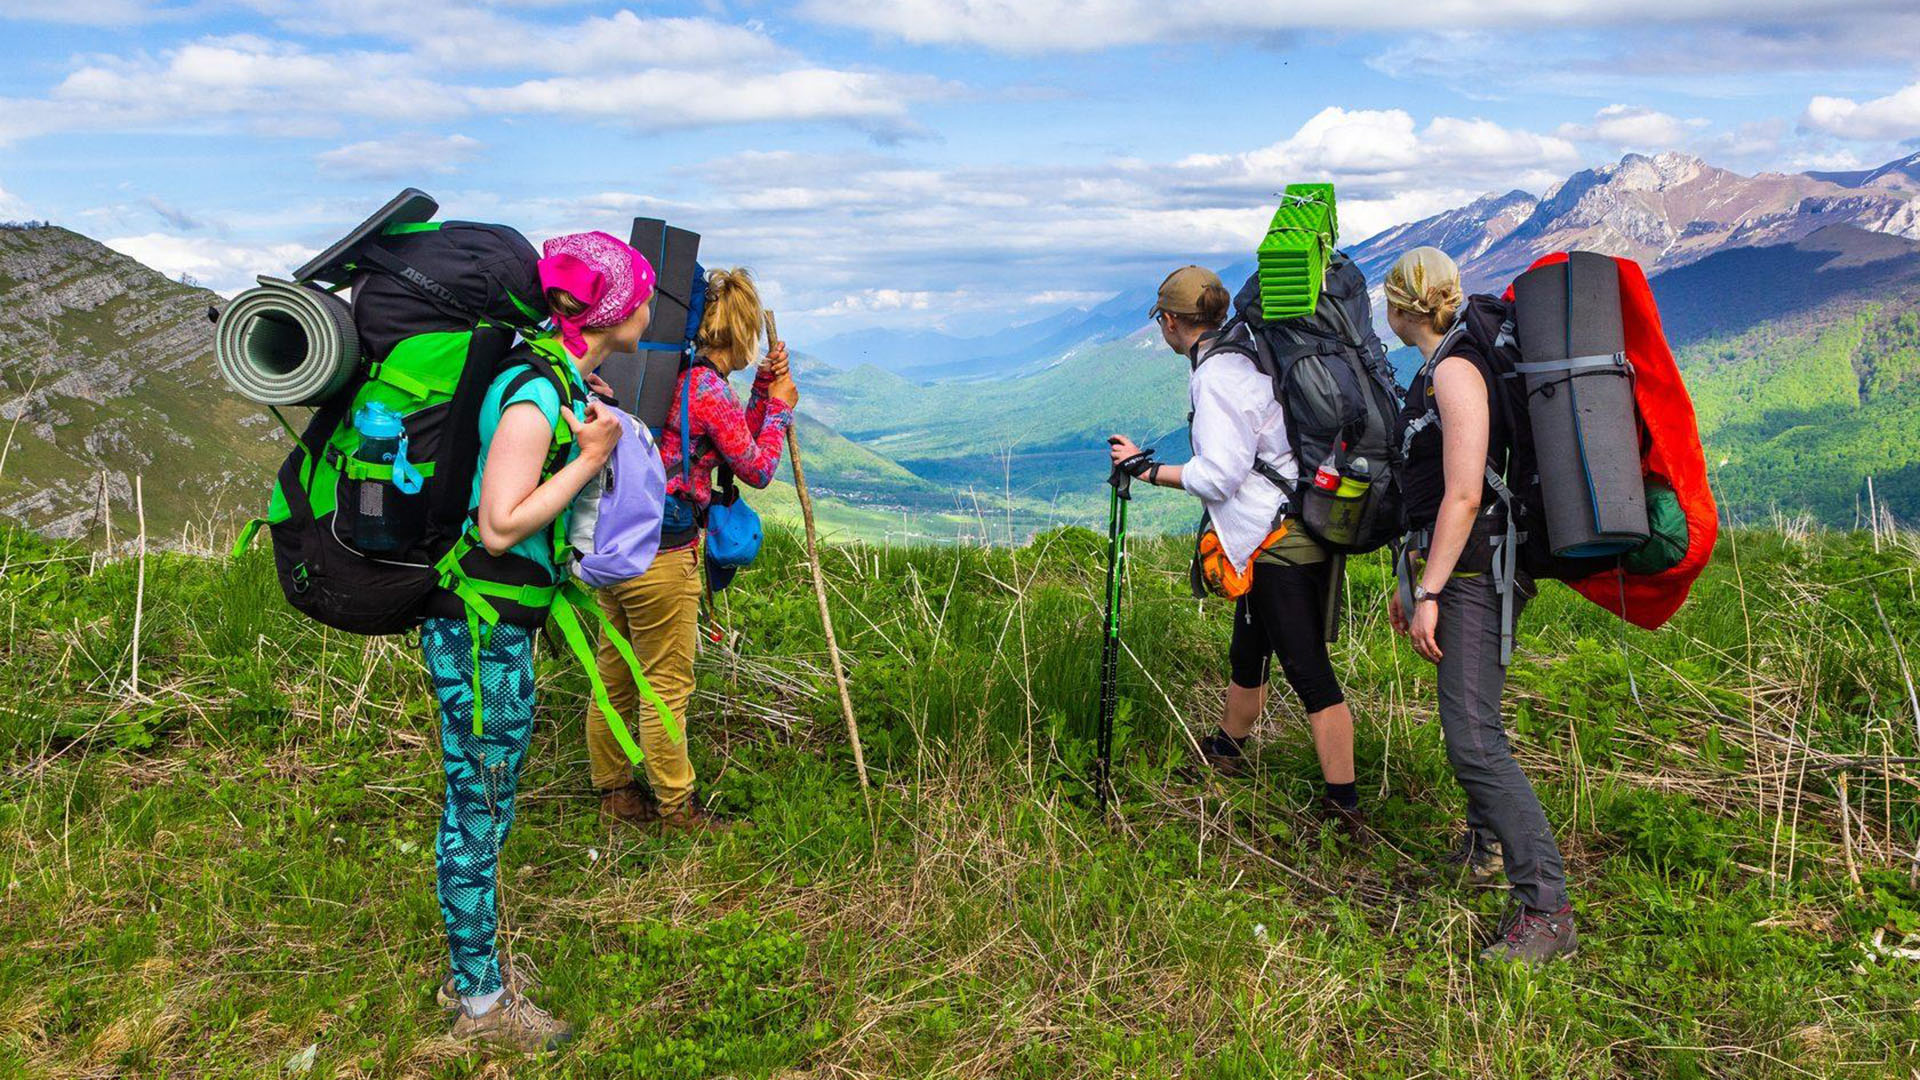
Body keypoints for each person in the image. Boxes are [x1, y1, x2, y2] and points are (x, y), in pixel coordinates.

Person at [423, 230, 654, 1051]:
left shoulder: (552, 376)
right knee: (478, 808)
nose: (650, 307)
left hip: (494, 629)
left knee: (481, 798)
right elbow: (498, 525)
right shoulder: (529, 392)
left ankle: (468, 965)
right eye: (642, 295)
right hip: (482, 636)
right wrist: (591, 458)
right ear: (613, 310)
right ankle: (481, 1006)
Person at [1107, 265, 1365, 830]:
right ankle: (1226, 751)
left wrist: (1148, 472)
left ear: (1172, 322)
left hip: (1278, 544)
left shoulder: (1217, 375)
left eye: (1163, 323)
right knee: (1248, 654)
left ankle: (1345, 810)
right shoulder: (1240, 353)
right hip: (1267, 536)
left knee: (1310, 673)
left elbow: (1219, 475)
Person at [1384, 246, 1577, 966]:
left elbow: (1465, 493)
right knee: (1475, 725)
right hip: (1453, 568)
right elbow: (1432, 495)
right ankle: (1488, 848)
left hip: (1472, 573)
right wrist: (1412, 582)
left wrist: (1431, 590)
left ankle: (1547, 910)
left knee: (1473, 738)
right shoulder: (1439, 366)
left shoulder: (1458, 370)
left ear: (1404, 306)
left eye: (1388, 301)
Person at [585, 266, 797, 832]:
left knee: (616, 674)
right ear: (742, 332)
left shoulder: (672, 377)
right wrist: (780, 406)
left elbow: (726, 443)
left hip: (618, 546)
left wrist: (756, 394)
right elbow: (755, 466)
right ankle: (676, 807)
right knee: (666, 686)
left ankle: (613, 792)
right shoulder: (704, 388)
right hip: (666, 553)